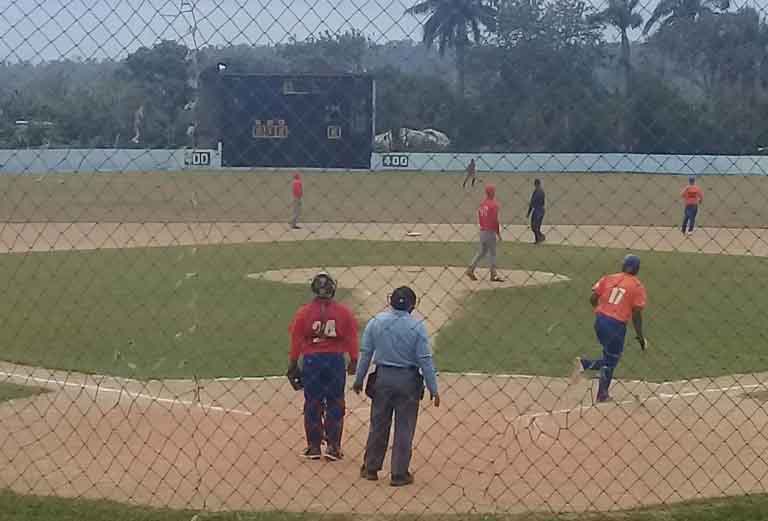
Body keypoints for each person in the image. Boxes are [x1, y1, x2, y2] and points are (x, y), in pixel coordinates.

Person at [353, 286, 439, 487]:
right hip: (408, 381)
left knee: (378, 425)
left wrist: (359, 379)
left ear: (391, 301)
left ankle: (371, 468)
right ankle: (399, 474)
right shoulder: (417, 327)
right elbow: (425, 360)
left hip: (383, 379)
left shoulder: (376, 322)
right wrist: (433, 388)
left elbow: (366, 353)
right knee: (404, 428)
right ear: (412, 305)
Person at [287, 272, 358, 461]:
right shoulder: (344, 312)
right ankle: (333, 446)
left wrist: (293, 363)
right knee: (335, 401)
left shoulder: (304, 312)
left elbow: (296, 339)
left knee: (312, 402)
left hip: (312, 360)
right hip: (335, 360)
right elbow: (351, 337)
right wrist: (354, 359)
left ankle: (314, 446)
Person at [571, 255, 647, 403]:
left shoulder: (609, 278)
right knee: (611, 360)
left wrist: (602, 310)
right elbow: (636, 315)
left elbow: (593, 299)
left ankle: (591, 374)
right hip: (616, 326)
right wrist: (640, 336)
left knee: (609, 357)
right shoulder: (638, 286)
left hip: (600, 321)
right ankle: (598, 389)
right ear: (637, 269)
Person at [466, 184, 504, 282]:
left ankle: (470, 269)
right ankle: (493, 275)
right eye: (493, 191)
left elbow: (480, 218)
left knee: (481, 252)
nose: (494, 193)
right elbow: (495, 220)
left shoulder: (482, 204)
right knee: (493, 253)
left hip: (482, 231)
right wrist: (498, 233)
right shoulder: (494, 205)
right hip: (490, 232)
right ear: (491, 192)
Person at [526, 178, 546, 244]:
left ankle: (539, 239)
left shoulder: (536, 192)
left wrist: (528, 213)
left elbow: (532, 203)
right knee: (537, 226)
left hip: (537, 210)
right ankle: (540, 237)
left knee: (534, 226)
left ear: (535, 184)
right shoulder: (542, 191)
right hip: (542, 210)